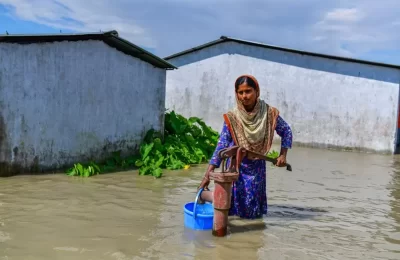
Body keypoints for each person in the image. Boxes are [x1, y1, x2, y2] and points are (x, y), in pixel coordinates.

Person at [198, 74, 293, 219]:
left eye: (248, 91)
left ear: (257, 92)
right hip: (235, 166)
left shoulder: (269, 113)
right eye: (240, 92)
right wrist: (207, 175)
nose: (244, 96)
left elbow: (286, 131)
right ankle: (206, 199)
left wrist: (283, 155)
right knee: (230, 204)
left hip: (257, 166)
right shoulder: (232, 117)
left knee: (252, 209)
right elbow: (222, 145)